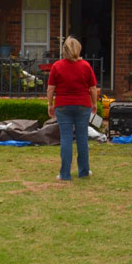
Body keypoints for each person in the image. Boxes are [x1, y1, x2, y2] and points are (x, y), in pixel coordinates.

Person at [47, 36, 100, 180]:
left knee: (66, 138)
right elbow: (93, 88)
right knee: (82, 138)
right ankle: (84, 171)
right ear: (78, 49)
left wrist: (50, 104)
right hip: (83, 105)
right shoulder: (86, 66)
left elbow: (51, 88)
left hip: (63, 106)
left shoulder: (57, 66)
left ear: (64, 50)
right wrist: (94, 104)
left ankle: (65, 174)